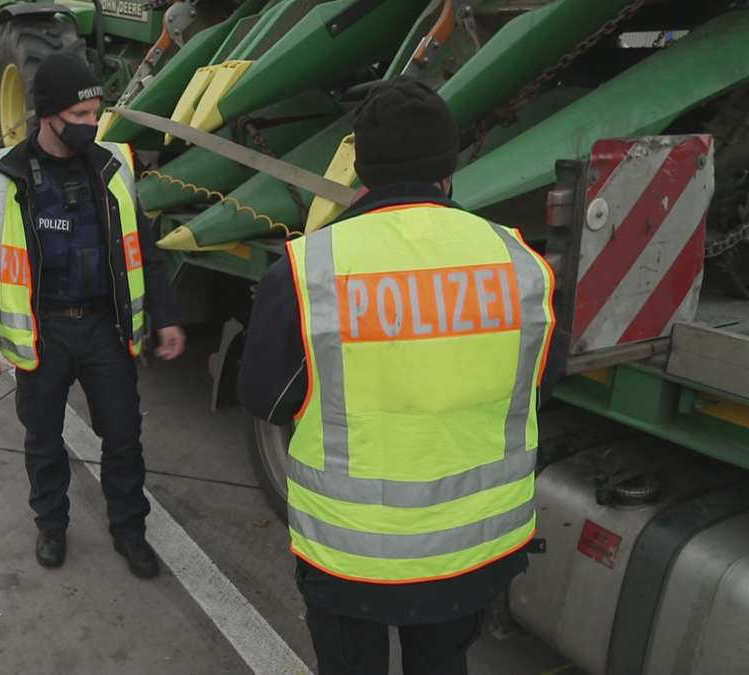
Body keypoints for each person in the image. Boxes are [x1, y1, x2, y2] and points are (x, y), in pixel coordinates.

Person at [238, 77, 563, 675]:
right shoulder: (521, 265)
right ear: (450, 167)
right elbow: (537, 387)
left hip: (349, 558)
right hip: (470, 550)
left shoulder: (312, 268)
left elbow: (268, 398)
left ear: (362, 170)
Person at [0, 52, 185, 578]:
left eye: (95, 115)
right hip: (44, 333)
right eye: (81, 117)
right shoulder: (4, 174)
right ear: (48, 115)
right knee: (43, 439)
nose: (93, 126)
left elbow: (144, 249)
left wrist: (167, 315)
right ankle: (51, 525)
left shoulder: (113, 166)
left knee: (124, 437)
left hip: (104, 328)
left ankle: (130, 531)